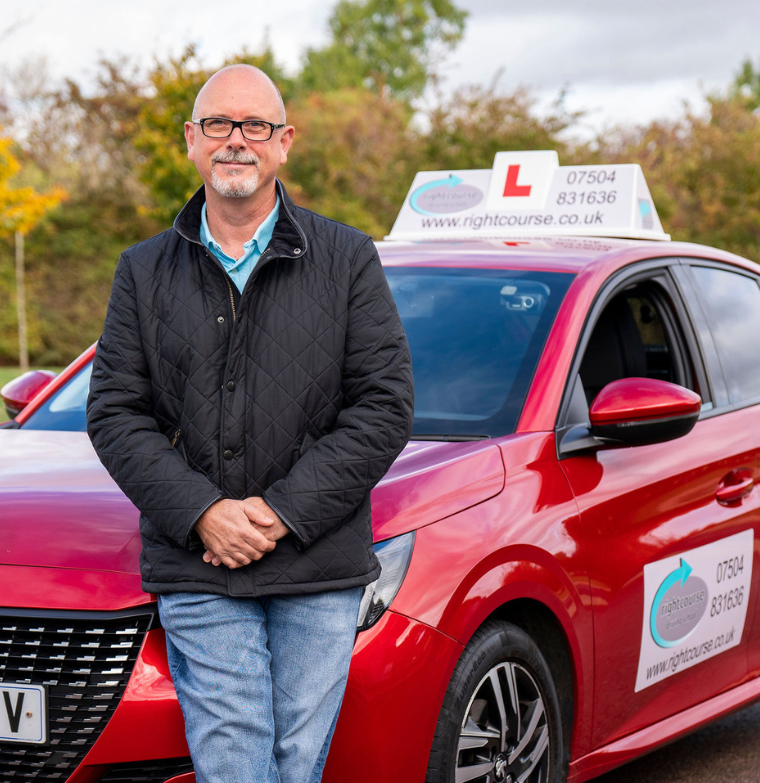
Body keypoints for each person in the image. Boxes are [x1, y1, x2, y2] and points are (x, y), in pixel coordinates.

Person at [87, 64, 414, 783]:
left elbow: (384, 403)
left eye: (255, 125)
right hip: (195, 564)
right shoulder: (142, 271)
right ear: (191, 140)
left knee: (297, 764)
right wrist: (203, 512)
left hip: (317, 561)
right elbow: (114, 411)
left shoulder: (348, 259)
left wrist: (279, 511)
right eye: (218, 125)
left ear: (284, 142)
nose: (237, 140)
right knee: (234, 759)